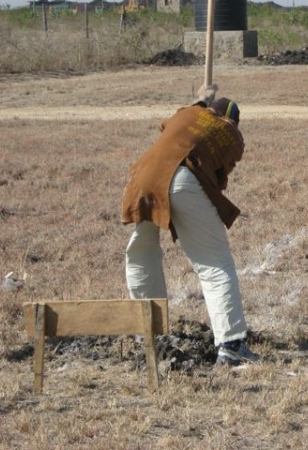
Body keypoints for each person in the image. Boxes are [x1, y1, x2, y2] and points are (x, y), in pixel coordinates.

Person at [121, 93, 260, 367]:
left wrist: (199, 104)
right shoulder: (230, 133)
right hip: (182, 179)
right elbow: (221, 175)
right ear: (233, 120)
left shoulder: (186, 112)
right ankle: (232, 346)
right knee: (214, 261)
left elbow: (169, 125)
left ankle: (146, 334)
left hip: (143, 175)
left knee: (141, 252)